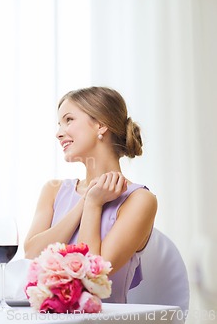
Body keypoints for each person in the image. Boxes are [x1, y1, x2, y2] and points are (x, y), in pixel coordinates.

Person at [24, 86, 157, 303]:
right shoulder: (53, 190)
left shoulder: (139, 200)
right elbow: (31, 256)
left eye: (69, 120)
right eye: (59, 123)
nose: (58, 132)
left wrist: (94, 205)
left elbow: (93, 276)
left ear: (101, 124)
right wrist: (85, 201)